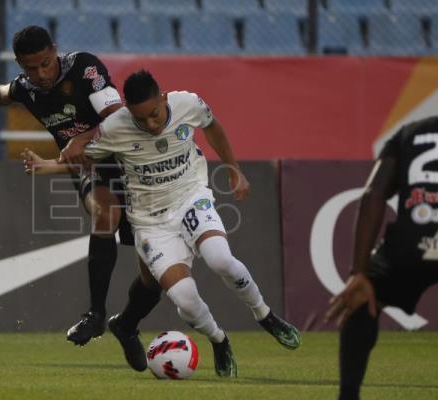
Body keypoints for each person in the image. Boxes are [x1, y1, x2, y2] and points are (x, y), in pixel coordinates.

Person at [23, 70, 302, 377]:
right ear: (129, 112)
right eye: (141, 119)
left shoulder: (188, 103)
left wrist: (233, 168)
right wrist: (46, 166)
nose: (151, 124)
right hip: (150, 222)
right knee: (183, 296)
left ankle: (265, 316)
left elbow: (212, 126)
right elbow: (81, 158)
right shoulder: (115, 128)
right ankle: (219, 340)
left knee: (221, 259)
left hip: (190, 199)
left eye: (154, 114)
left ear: (163, 98)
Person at [0, 26, 161, 347]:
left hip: (129, 161)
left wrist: (78, 138)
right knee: (105, 214)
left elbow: (116, 116)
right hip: (88, 165)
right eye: (30, 68)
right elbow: (1, 94)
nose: (39, 74)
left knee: (155, 270)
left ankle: (127, 324)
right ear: (19, 65)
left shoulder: (84, 68)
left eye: (45, 63)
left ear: (54, 51)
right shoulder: (26, 87)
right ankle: (95, 315)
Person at [326, 116, 438, 399]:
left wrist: (359, 273)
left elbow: (373, 194)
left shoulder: (410, 133)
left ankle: (348, 395)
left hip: (410, 245)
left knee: (365, 297)